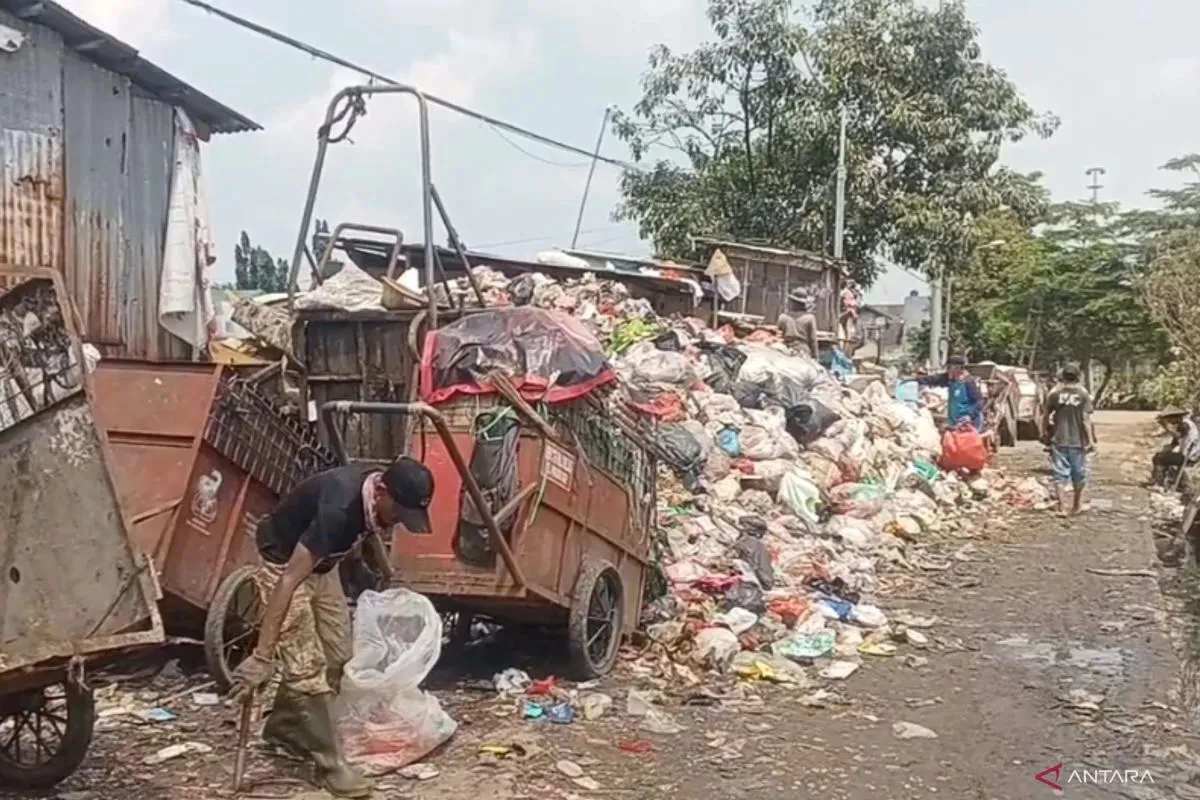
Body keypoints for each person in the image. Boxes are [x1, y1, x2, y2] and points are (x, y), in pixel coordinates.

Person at [228, 457, 435, 798]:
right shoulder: (339, 508)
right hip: (285, 565)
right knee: (306, 666)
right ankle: (331, 766)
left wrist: (379, 572)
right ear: (381, 491)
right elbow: (288, 580)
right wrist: (263, 656)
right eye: (399, 512)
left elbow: (362, 531)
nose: (398, 521)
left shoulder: (374, 492)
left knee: (338, 656)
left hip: (324, 567)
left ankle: (285, 728)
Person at [1042, 363, 1096, 516]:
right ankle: (1077, 505)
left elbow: (1045, 415)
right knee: (1079, 474)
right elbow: (1086, 419)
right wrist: (1090, 440)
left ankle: (1062, 508)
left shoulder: (1054, 394)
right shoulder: (1083, 395)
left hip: (1059, 439)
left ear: (1063, 377)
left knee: (1059, 474)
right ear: (1078, 377)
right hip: (1078, 441)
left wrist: (1044, 432)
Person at [916, 355, 984, 431]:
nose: (947, 370)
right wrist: (915, 380)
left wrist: (970, 416)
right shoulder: (950, 379)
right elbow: (933, 379)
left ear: (958, 368)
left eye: (949, 368)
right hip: (955, 423)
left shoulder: (969, 382)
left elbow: (979, 401)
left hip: (969, 423)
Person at [1151, 410, 1200, 487]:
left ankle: (1158, 482)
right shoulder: (1183, 424)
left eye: (1170, 419)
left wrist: (1166, 426)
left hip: (1189, 456)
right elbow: (1175, 443)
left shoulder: (1185, 424)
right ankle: (1162, 479)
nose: (1170, 421)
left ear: (1176, 417)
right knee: (1161, 456)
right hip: (1188, 455)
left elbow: (1178, 435)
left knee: (1159, 458)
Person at [777, 290, 820, 359]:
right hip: (803, 351)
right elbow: (813, 340)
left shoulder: (783, 317)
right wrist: (816, 357)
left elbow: (778, 337)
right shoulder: (810, 318)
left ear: (793, 303)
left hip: (786, 350)